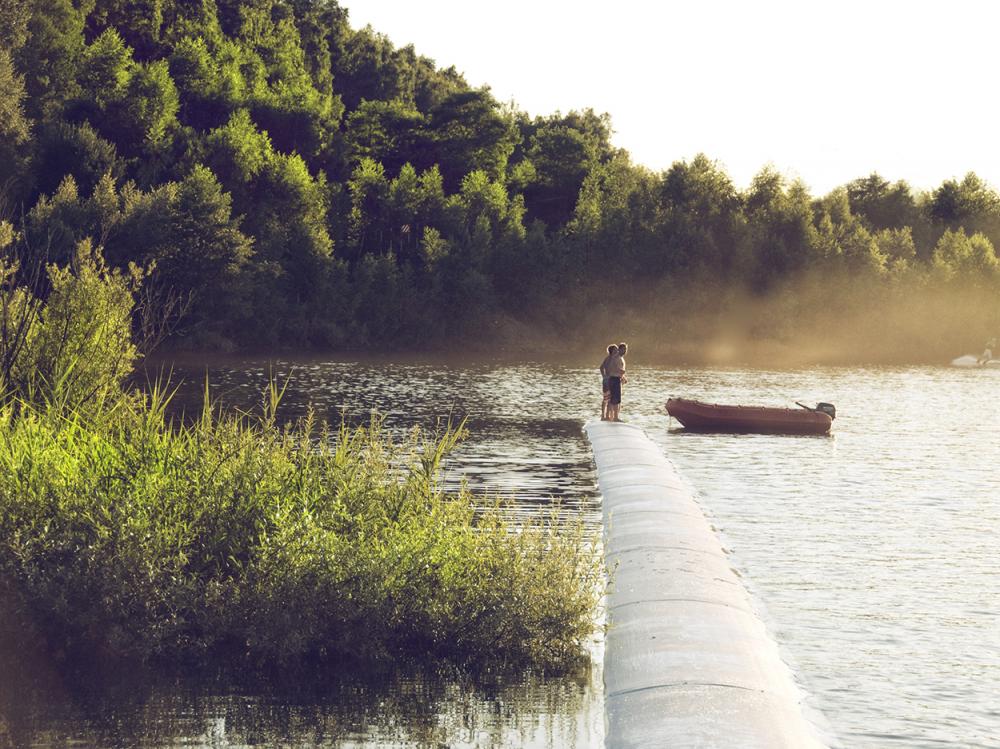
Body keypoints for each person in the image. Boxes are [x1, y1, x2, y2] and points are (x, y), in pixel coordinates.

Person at [607, 342, 627, 421]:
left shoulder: (620, 358)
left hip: (616, 379)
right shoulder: (616, 357)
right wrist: (622, 372)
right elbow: (615, 367)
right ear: (619, 349)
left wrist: (623, 377)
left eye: (626, 349)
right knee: (615, 399)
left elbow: (618, 369)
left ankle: (612, 416)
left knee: (615, 399)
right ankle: (615, 417)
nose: (625, 351)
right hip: (614, 379)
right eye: (623, 349)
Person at [599, 344, 618, 420]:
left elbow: (601, 367)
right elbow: (601, 368)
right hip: (609, 380)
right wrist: (605, 376)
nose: (617, 351)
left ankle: (604, 416)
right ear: (612, 351)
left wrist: (604, 376)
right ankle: (605, 416)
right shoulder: (611, 359)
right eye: (615, 349)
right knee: (608, 399)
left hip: (606, 380)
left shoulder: (607, 358)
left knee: (606, 399)